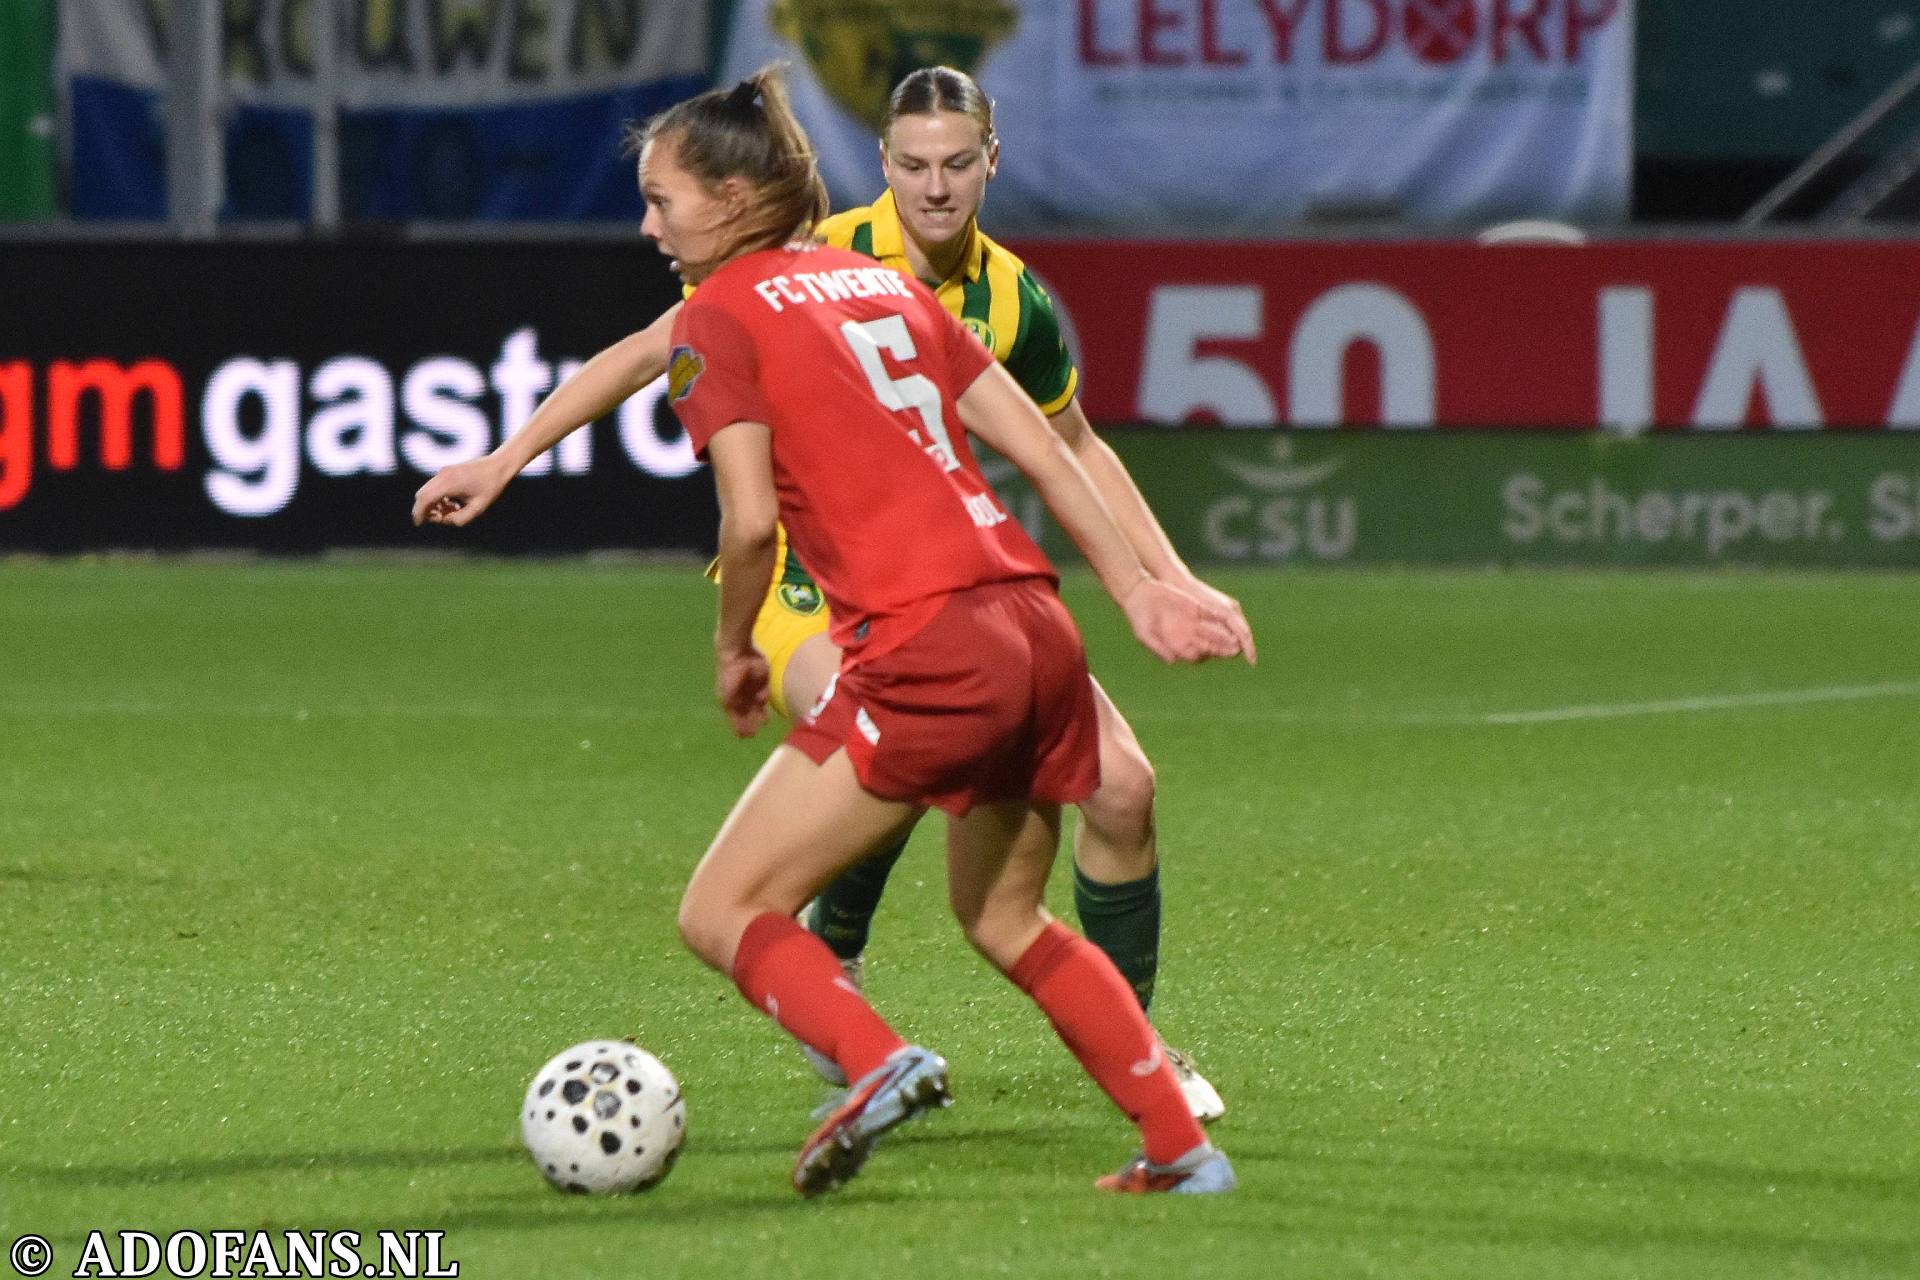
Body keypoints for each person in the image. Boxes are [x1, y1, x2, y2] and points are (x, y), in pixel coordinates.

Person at [411, 66, 1247, 1124]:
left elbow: (1066, 441)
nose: (934, 189)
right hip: (818, 586)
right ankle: (841, 970)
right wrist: (508, 453)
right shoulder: (834, 257)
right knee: (906, 766)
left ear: (992, 163)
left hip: (934, 593)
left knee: (1115, 789)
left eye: (955, 165)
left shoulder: (1006, 298)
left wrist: (1157, 581)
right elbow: (651, 358)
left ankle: (1114, 1048)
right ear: (880, 167)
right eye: (911, 165)